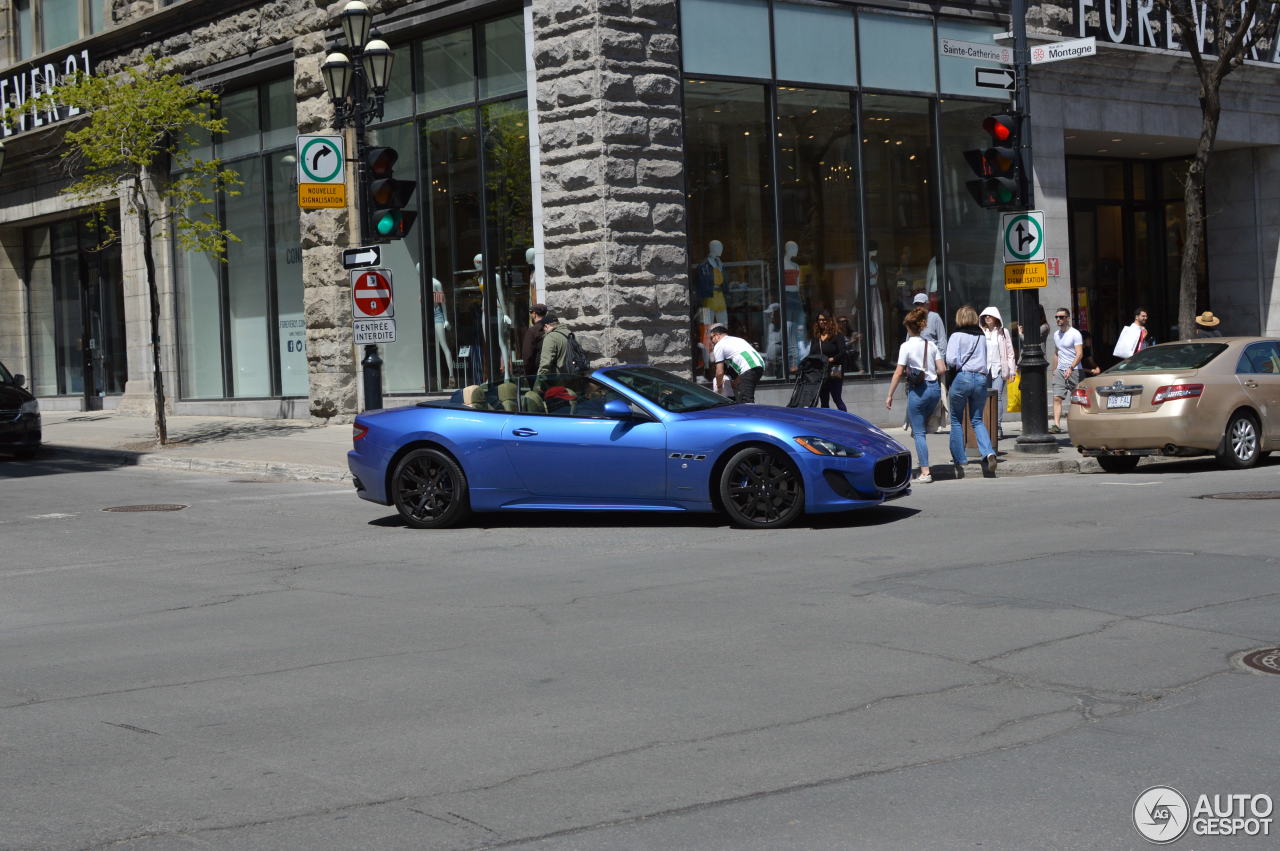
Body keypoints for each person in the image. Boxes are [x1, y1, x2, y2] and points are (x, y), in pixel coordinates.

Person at [885, 306, 947, 483]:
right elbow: (942, 369)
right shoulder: (932, 345)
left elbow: (898, 373)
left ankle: (925, 471)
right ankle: (923, 460)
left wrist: (889, 395)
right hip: (933, 389)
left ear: (908, 327)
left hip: (918, 391)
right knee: (920, 428)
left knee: (918, 432)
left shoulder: (906, 346)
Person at [945, 305, 997, 479]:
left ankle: (960, 458)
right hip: (981, 379)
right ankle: (988, 452)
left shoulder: (956, 336)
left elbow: (951, 360)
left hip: (963, 378)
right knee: (977, 420)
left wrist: (960, 364)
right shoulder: (981, 336)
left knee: (956, 420)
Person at [914, 291, 950, 432]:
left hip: (933, 360)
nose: (919, 307)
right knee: (920, 392)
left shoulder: (934, 317)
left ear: (927, 304)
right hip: (917, 361)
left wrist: (940, 361)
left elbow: (942, 340)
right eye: (916, 304)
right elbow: (908, 338)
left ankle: (932, 421)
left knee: (935, 393)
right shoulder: (914, 318)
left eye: (921, 304)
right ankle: (921, 421)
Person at [979, 306, 1016, 439]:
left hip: (999, 368)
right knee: (984, 397)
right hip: (984, 369)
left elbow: (1010, 352)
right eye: (985, 316)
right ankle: (986, 425)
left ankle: (998, 426)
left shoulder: (1003, 332)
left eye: (990, 315)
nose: (987, 317)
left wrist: (1012, 370)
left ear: (996, 317)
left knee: (998, 396)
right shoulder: (981, 332)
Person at [708, 324, 765, 403]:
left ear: (717, 335)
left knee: (746, 401)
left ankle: (752, 415)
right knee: (745, 397)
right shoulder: (737, 339)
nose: (711, 341)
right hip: (759, 366)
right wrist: (735, 382)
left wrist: (719, 387)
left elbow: (719, 372)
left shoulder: (719, 345)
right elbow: (743, 365)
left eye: (711, 338)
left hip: (749, 367)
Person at [1049, 307, 1083, 434]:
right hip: (1060, 370)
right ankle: (1056, 425)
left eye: (1061, 317)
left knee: (1078, 399)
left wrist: (1071, 367)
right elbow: (1057, 352)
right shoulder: (1056, 334)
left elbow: (1079, 354)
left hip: (1075, 370)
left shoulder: (1075, 334)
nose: (1058, 319)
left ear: (1068, 318)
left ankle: (1080, 423)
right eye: (1057, 317)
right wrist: (1054, 370)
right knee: (1057, 397)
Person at [811, 311, 849, 411]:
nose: (822, 322)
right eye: (820, 320)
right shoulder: (816, 337)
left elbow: (843, 352)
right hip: (821, 372)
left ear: (829, 321)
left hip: (834, 371)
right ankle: (827, 423)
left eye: (824, 319)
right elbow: (812, 353)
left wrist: (832, 359)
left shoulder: (837, 335)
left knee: (837, 399)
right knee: (824, 401)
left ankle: (846, 421)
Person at [522, 303, 548, 377]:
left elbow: (527, 355)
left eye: (531, 313)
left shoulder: (532, 331)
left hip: (537, 372)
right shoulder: (550, 327)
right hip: (551, 371)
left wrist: (527, 374)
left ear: (534, 314)